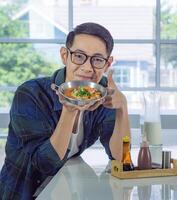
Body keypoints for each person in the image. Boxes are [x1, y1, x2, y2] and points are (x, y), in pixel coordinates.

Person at [0, 22, 131, 200]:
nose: (87, 68)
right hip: (22, 191)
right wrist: (69, 111)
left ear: (107, 64)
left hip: (65, 188)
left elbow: (121, 157)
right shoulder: (30, 94)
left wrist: (122, 108)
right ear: (64, 55)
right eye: (79, 56)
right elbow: (44, 164)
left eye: (97, 60)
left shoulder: (101, 94)